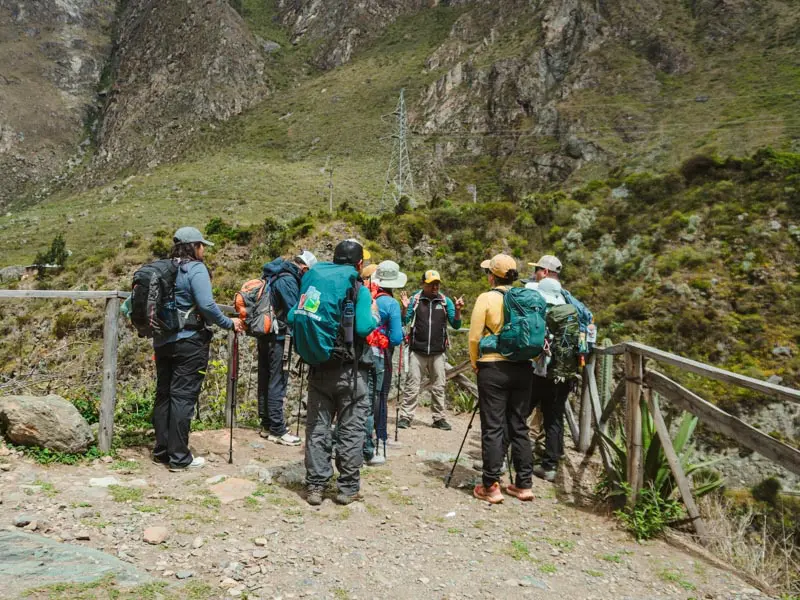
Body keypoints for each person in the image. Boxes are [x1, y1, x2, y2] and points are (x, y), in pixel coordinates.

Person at [288, 239, 377, 506]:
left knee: (317, 427)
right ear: (359, 263)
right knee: (351, 429)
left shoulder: (317, 282)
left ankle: (316, 486)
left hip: (319, 368)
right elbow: (362, 328)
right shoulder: (358, 289)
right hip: (351, 372)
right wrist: (373, 317)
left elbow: (294, 316)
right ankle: (347, 488)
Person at [152, 227, 245, 472]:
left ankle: (162, 451)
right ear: (194, 246)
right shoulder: (195, 269)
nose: (204, 250)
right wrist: (228, 323)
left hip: (162, 341)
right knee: (183, 397)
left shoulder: (162, 268)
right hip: (190, 341)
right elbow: (206, 304)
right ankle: (180, 457)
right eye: (202, 245)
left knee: (164, 395)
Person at [469, 254, 534, 503]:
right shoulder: (526, 298)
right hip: (523, 367)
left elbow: (474, 336)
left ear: (492, 276)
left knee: (493, 426)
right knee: (519, 425)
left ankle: (491, 485)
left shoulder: (487, 298)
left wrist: (476, 363)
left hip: (493, 367)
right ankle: (524, 484)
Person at [527, 254, 593, 483]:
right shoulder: (571, 310)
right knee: (555, 418)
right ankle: (550, 466)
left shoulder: (544, 311)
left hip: (541, 373)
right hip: (565, 375)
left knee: (519, 411)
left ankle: (507, 455)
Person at [257, 250, 317, 446]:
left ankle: (267, 424)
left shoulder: (275, 275)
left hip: (265, 334)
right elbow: (295, 311)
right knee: (277, 380)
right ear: (305, 268)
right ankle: (277, 429)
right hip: (279, 336)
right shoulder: (288, 280)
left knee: (265, 379)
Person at [398, 270, 464, 430]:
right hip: (417, 350)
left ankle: (439, 418)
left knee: (439, 386)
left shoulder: (445, 301)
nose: (435, 287)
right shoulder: (415, 299)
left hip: (438, 352)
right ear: (424, 284)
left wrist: (458, 309)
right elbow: (404, 320)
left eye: (437, 284)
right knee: (412, 385)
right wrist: (405, 308)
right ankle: (406, 417)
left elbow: (456, 325)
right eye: (431, 284)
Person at [365, 260, 405, 464]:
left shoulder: (367, 296)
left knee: (363, 396)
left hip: (363, 352)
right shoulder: (391, 304)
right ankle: (377, 439)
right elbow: (397, 337)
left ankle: (359, 438)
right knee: (379, 396)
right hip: (381, 354)